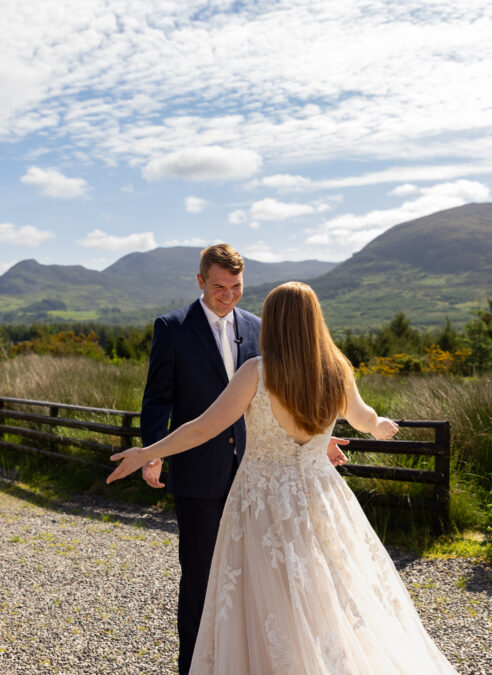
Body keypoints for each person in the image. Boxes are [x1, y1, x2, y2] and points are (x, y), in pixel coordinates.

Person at [111, 281, 457, 674]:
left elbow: (203, 428)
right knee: (326, 589)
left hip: (261, 499)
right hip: (320, 495)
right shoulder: (337, 369)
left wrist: (148, 451)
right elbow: (363, 418)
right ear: (314, 320)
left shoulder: (256, 372)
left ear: (273, 322)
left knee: (266, 598)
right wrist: (380, 426)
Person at [139, 246, 349, 675]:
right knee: (201, 577)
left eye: (236, 287)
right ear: (200, 282)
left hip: (260, 475)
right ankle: (194, 667)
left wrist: (316, 442)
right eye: (219, 287)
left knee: (263, 578)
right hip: (199, 471)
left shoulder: (258, 326)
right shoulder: (172, 327)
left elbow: (285, 394)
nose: (228, 295)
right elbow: (157, 398)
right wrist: (153, 452)